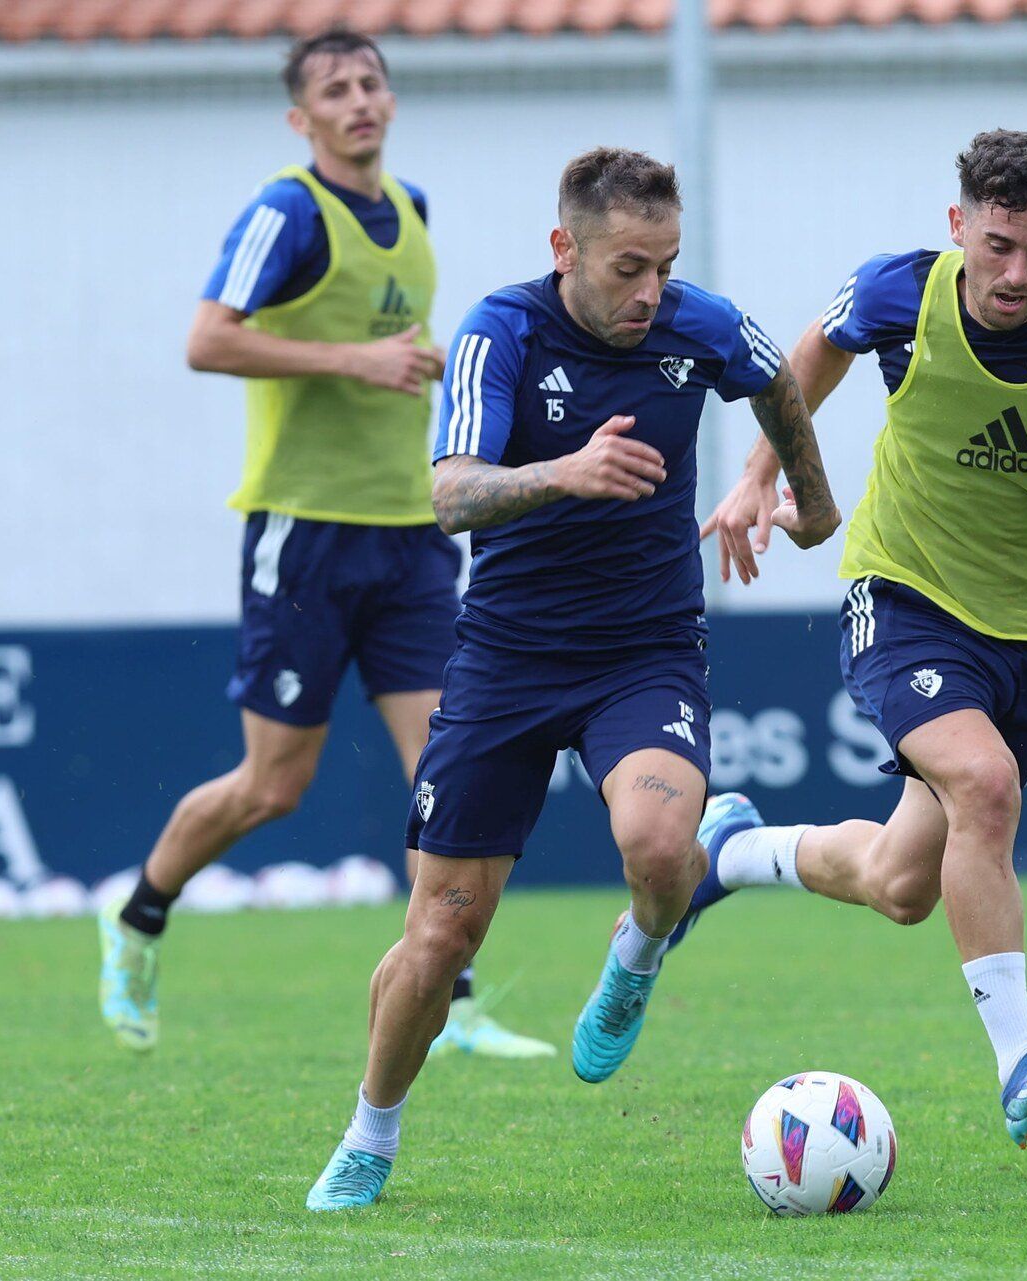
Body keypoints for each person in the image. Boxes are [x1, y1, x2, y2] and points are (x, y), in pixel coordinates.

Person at [303, 147, 839, 1210]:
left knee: (653, 846)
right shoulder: (499, 333)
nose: (651, 292)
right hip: (504, 657)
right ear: (566, 250)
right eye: (628, 267)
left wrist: (805, 502)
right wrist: (566, 472)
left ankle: (637, 954)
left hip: (643, 652)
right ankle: (370, 1134)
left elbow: (779, 385)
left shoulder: (702, 324)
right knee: (443, 929)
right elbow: (449, 495)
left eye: (666, 265)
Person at [686, 129, 1027, 1148]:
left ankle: (733, 849)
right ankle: (1021, 1057)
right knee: (984, 785)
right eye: (995, 246)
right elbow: (814, 350)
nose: (1016, 273)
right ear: (957, 228)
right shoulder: (900, 292)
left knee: (901, 883)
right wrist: (765, 471)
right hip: (905, 593)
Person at [95, 29, 550, 1061]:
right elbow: (206, 339)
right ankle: (136, 921)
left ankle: (452, 1001)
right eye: (335, 90)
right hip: (303, 535)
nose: (359, 102)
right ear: (300, 120)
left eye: (371, 83)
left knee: (450, 769)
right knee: (273, 786)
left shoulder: (415, 211)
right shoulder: (287, 210)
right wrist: (354, 358)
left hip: (413, 537)